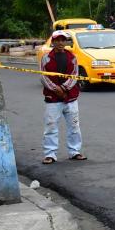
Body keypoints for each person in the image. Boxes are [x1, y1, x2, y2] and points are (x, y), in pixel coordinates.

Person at [40, 30, 85, 164]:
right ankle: (50, 154)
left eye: (62, 40)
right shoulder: (46, 57)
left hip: (71, 97)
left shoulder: (73, 57)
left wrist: (64, 88)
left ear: (66, 42)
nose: (60, 43)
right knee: (51, 126)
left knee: (74, 126)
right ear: (53, 42)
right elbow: (43, 77)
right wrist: (56, 89)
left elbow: (74, 75)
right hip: (52, 99)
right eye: (57, 40)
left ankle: (75, 151)